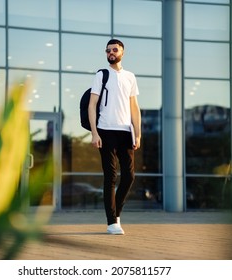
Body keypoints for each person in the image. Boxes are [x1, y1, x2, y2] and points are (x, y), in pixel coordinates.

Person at [88, 39, 141, 235]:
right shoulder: (101, 74)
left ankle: (116, 213)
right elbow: (92, 105)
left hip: (126, 131)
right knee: (111, 176)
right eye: (108, 50)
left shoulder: (130, 77)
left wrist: (138, 133)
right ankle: (112, 222)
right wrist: (95, 133)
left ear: (122, 52)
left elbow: (134, 108)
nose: (111, 52)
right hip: (106, 130)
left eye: (114, 49)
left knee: (129, 176)